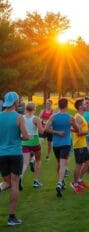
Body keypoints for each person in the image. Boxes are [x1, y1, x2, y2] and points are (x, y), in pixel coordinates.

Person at [0, 91, 30, 226]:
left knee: (7, 182)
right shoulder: (19, 117)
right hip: (15, 153)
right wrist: (21, 137)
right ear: (15, 102)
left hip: (2, 154)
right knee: (14, 184)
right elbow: (26, 136)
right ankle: (11, 218)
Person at [45, 98, 78, 197]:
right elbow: (77, 129)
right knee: (63, 164)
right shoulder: (70, 117)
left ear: (58, 106)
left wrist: (56, 132)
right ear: (67, 106)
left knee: (59, 163)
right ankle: (59, 183)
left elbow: (46, 129)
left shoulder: (53, 117)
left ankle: (61, 181)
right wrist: (70, 128)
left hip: (56, 144)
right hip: (66, 143)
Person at [20, 102, 44, 190]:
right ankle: (36, 181)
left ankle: (20, 177)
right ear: (34, 109)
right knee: (38, 161)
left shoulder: (21, 118)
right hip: (34, 141)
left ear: (26, 108)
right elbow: (41, 132)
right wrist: (43, 125)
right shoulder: (36, 118)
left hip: (24, 142)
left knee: (25, 162)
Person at [71, 98, 89, 193]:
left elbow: (74, 129)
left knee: (88, 162)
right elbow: (79, 133)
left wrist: (88, 125)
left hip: (82, 144)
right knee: (79, 164)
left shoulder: (81, 116)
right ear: (80, 106)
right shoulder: (78, 117)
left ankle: (79, 180)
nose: (86, 105)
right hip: (78, 144)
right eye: (84, 104)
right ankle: (74, 183)